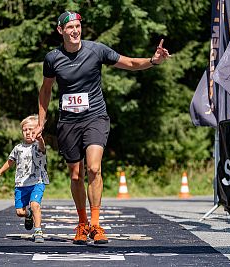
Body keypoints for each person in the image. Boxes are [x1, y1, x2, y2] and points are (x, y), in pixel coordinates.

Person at [32, 11, 170, 245]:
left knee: (94, 168)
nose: (75, 31)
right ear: (60, 31)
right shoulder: (52, 58)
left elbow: (130, 63)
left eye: (77, 26)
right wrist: (41, 121)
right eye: (70, 28)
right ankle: (82, 223)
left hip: (95, 116)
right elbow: (45, 90)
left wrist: (153, 61)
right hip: (68, 121)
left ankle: (96, 225)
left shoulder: (96, 50)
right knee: (76, 174)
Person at [0, 115, 49, 243]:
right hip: (21, 184)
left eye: (31, 129)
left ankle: (38, 231)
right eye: (25, 130)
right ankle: (28, 216)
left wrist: (39, 138)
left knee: (35, 205)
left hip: (37, 182)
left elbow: (42, 146)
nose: (28, 132)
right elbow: (10, 162)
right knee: (19, 212)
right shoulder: (18, 148)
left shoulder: (38, 145)